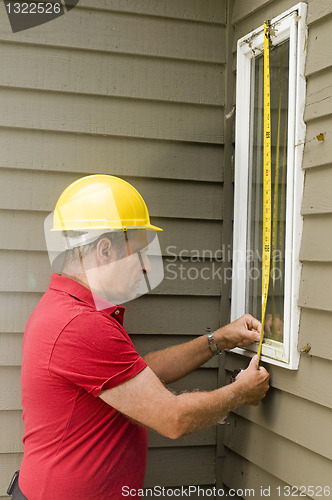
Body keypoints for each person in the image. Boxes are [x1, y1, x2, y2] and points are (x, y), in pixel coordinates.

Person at [14, 175, 269, 500]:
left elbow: (136, 375)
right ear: (104, 250)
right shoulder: (81, 325)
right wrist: (240, 392)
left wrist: (217, 340)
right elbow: (173, 418)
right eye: (139, 254)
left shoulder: (70, 307)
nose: (147, 266)